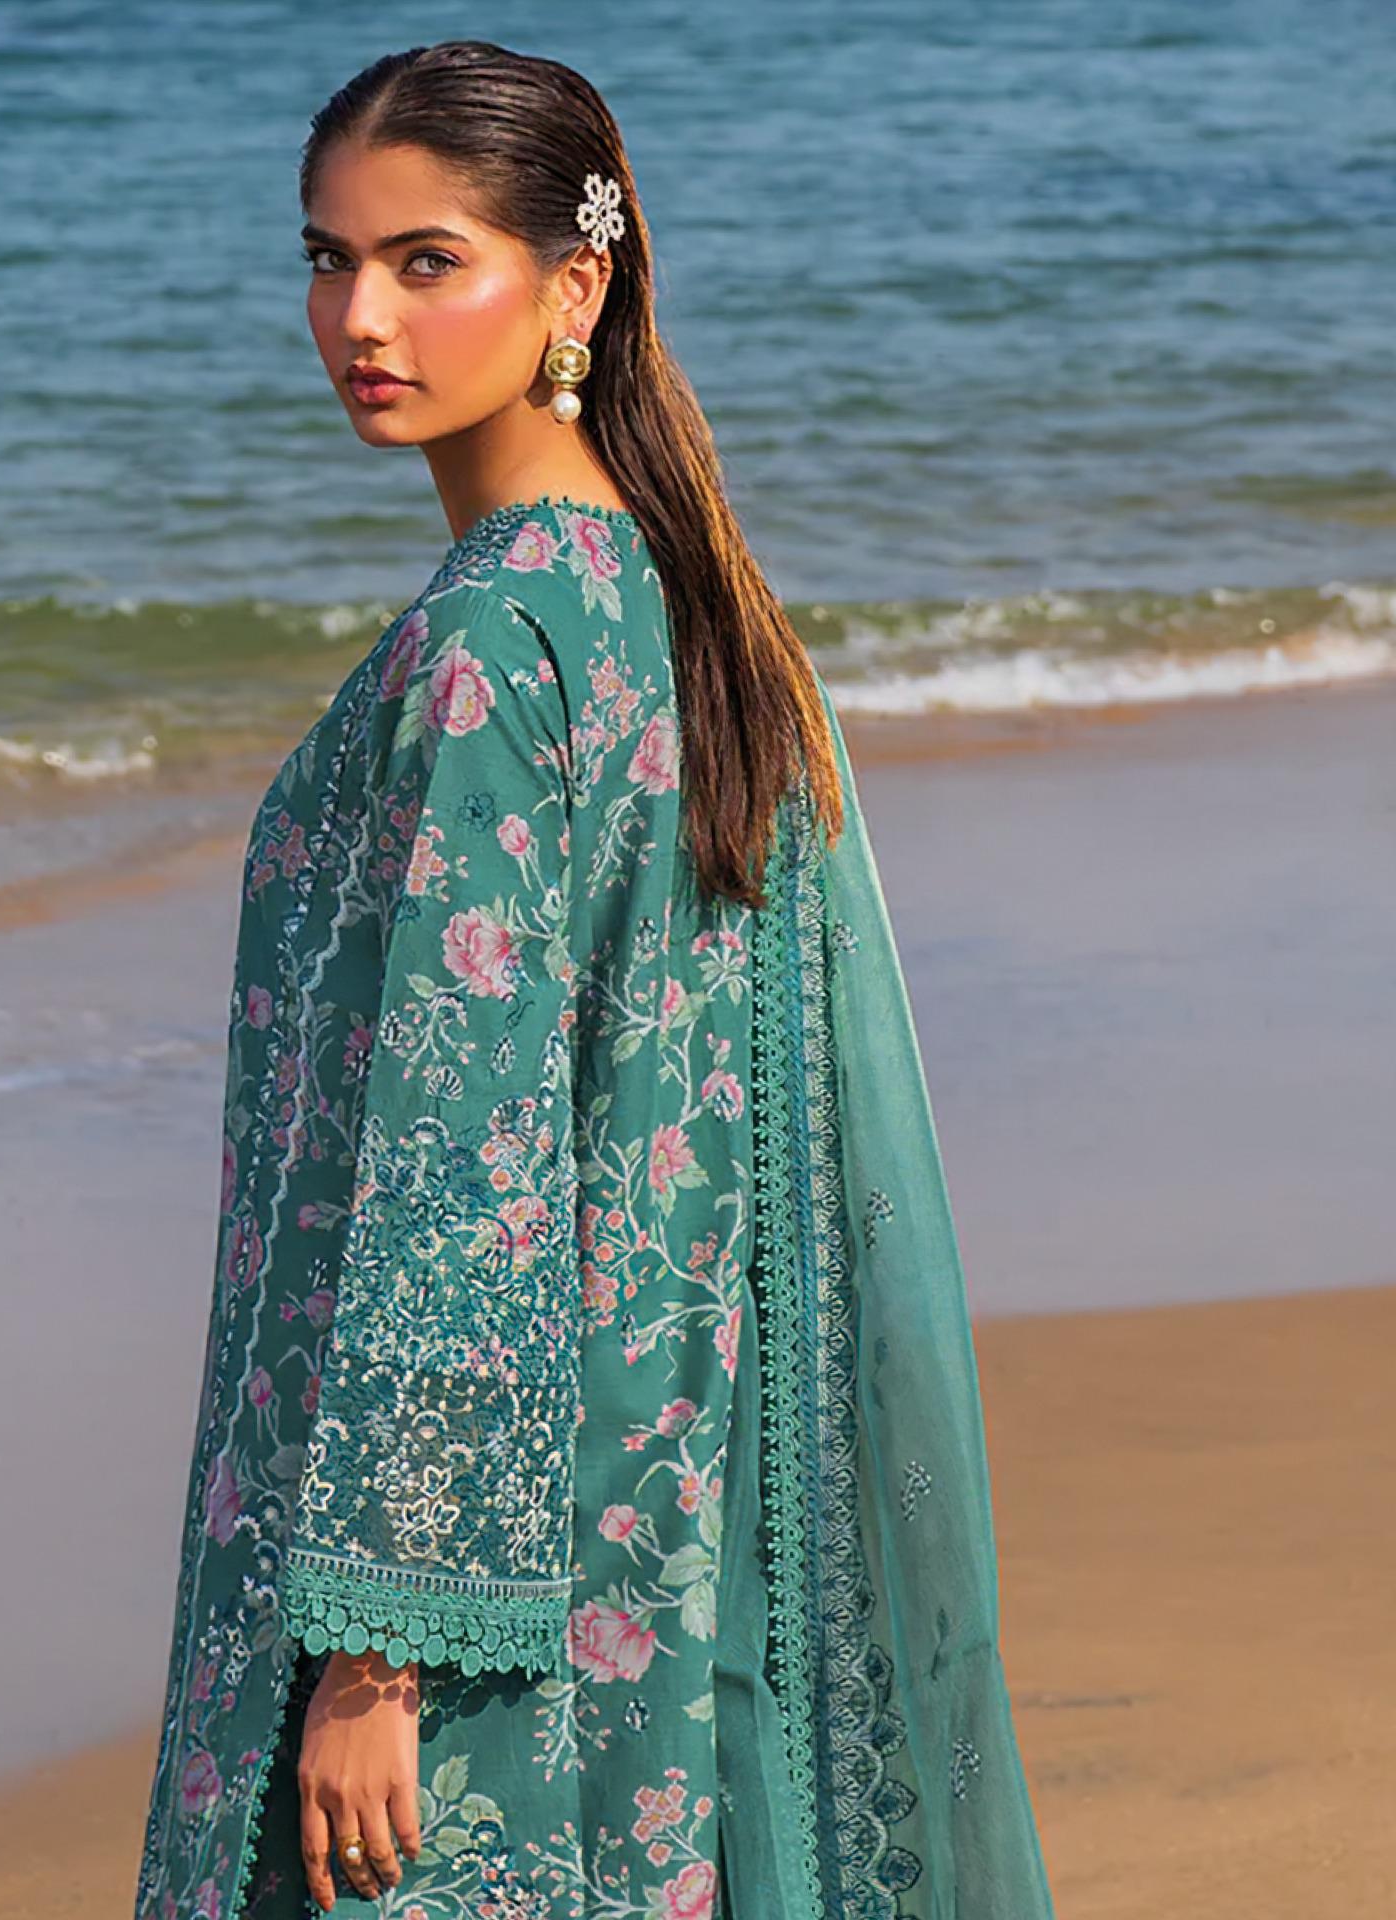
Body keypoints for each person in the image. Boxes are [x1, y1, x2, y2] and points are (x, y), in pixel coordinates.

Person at [132, 43, 1057, 1920]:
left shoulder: (488, 643)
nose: (359, 318)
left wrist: (374, 1655)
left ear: (576, 285)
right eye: (328, 259)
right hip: (647, 1520)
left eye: (426, 261)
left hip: (453, 1588)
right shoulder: (677, 598)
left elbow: (456, 1160)